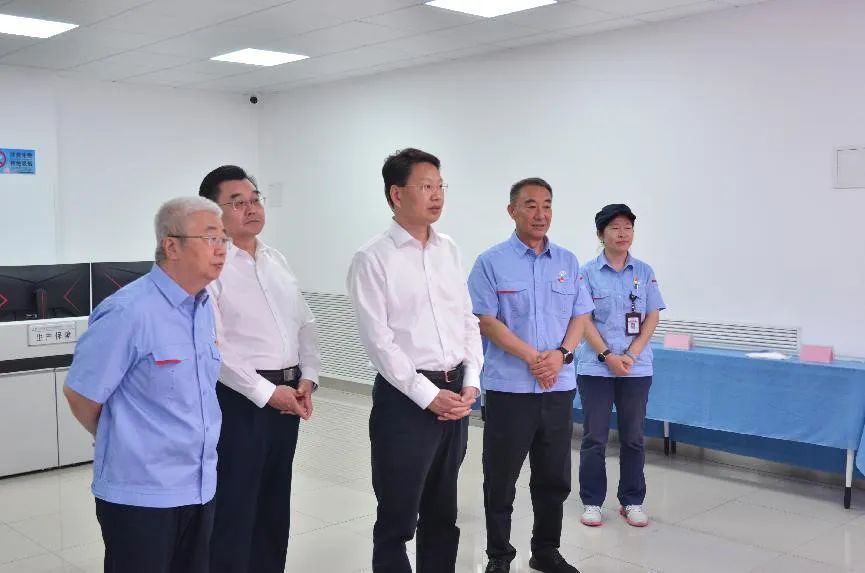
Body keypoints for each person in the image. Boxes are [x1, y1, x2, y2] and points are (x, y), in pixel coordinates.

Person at [63, 197, 228, 573]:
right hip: (141, 494)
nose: (221, 249)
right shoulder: (128, 311)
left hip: (199, 486)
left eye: (224, 240)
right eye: (210, 238)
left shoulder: (202, 308)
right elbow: (81, 394)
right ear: (172, 246)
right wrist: (125, 437)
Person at [346, 147, 483, 572]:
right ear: (397, 194)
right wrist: (428, 395)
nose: (437, 195)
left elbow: (467, 319)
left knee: (443, 513)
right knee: (398, 516)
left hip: (455, 394)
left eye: (440, 186)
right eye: (426, 186)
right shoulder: (372, 258)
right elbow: (379, 342)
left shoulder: (449, 250)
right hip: (405, 399)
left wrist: (471, 381)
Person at [198, 165, 321, 573]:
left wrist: (308, 377)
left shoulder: (275, 259)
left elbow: (304, 323)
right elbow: (215, 348)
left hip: (289, 396)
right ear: (213, 211)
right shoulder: (210, 266)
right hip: (240, 400)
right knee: (235, 505)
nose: (251, 209)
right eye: (238, 203)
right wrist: (268, 393)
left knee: (274, 502)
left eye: (255, 200)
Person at [468, 178, 593, 573]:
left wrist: (561, 354)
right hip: (510, 390)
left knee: (553, 477)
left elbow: (581, 315)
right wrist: (534, 358)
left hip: (558, 388)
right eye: (531, 205)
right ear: (512, 211)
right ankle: (498, 556)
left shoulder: (568, 262)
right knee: (500, 479)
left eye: (547, 205)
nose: (541, 214)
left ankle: (546, 551)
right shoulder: (490, 262)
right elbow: (486, 321)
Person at [576, 204, 666, 528]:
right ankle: (592, 502)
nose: (622, 233)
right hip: (595, 367)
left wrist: (631, 354)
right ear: (601, 234)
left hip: (635, 369)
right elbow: (582, 319)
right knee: (595, 437)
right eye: (615, 227)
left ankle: (632, 500)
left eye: (628, 227)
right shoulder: (586, 272)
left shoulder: (644, 271)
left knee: (633, 437)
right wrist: (607, 356)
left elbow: (652, 315)